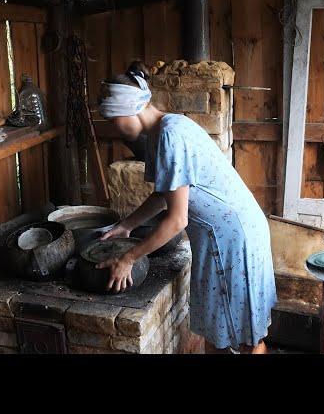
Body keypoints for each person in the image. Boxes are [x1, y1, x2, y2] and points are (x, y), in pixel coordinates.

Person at [96, 61, 277, 354]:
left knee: (245, 338)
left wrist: (129, 257)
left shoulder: (170, 135)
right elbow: (163, 196)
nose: (112, 126)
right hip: (226, 235)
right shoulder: (160, 132)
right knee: (224, 332)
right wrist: (126, 225)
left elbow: (176, 220)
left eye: (112, 117)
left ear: (129, 108)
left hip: (232, 239)